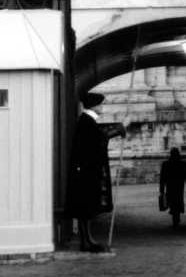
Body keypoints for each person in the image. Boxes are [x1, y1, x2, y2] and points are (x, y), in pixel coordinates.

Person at [64, 92, 125, 252]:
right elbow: (100, 138)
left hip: (85, 171)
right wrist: (121, 127)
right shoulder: (87, 121)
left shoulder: (87, 121)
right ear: (94, 105)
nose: (102, 107)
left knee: (86, 209)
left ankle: (88, 240)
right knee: (85, 208)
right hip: (85, 173)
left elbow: (99, 136)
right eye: (100, 104)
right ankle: (86, 241)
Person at [160, 147, 186, 227]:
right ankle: (176, 216)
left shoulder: (165, 164)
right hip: (179, 186)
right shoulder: (182, 164)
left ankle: (174, 215)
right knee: (178, 201)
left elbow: (162, 178)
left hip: (170, 186)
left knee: (172, 201)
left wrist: (161, 189)